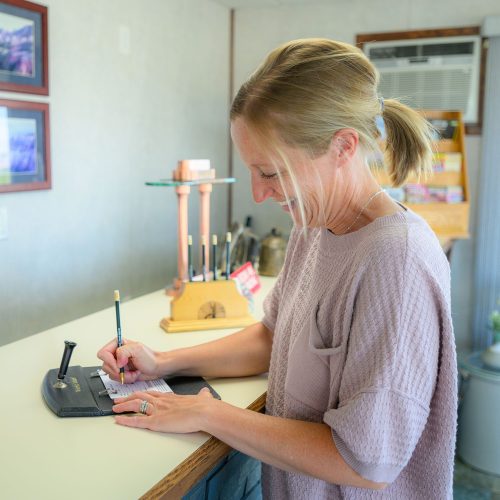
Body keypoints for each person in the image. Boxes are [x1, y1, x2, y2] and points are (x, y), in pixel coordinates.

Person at [98, 38, 457, 499]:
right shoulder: (314, 225)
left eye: (271, 172)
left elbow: (366, 461)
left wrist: (210, 414)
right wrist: (164, 363)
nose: (258, 193)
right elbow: (273, 337)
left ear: (343, 146)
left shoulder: (396, 262)